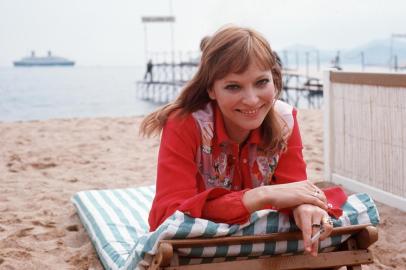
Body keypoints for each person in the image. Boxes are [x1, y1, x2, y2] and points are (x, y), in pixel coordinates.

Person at [140, 25, 339, 256]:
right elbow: (166, 218)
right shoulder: (184, 123)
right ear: (211, 89)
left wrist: (304, 205)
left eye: (261, 82)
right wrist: (259, 195)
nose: (252, 100)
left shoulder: (285, 121)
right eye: (233, 86)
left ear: (274, 80)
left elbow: (295, 187)